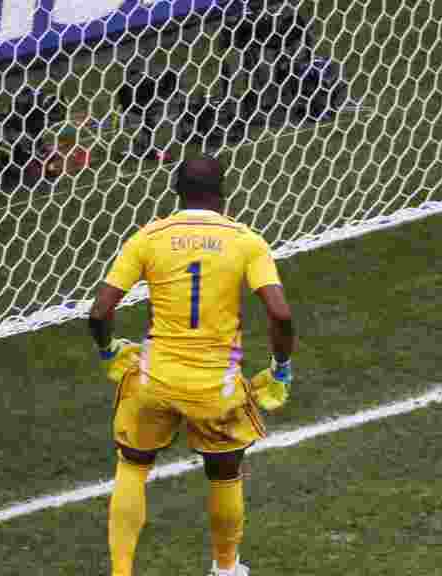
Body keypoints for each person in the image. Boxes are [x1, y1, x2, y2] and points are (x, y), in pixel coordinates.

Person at [88, 156, 295, 575]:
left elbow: (99, 311)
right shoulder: (245, 240)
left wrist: (110, 351)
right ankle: (225, 568)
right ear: (223, 193)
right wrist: (280, 369)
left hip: (154, 380)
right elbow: (281, 314)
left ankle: (121, 572)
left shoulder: (147, 238)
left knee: (132, 465)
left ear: (175, 191)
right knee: (224, 474)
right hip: (215, 389)